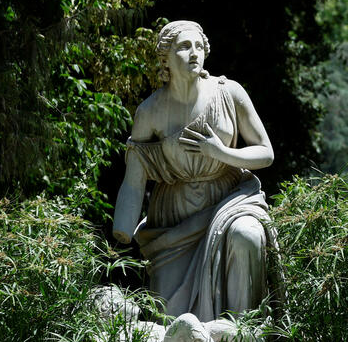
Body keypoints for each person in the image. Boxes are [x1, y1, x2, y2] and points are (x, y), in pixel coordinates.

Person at [112, 20, 275, 321]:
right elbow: (134, 179)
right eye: (185, 47)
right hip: (175, 215)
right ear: (166, 58)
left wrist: (222, 152)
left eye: (199, 46)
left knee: (247, 236)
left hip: (229, 199)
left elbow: (266, 154)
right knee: (168, 321)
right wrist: (121, 232)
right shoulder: (150, 111)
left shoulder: (230, 93)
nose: (194, 53)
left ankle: (242, 335)